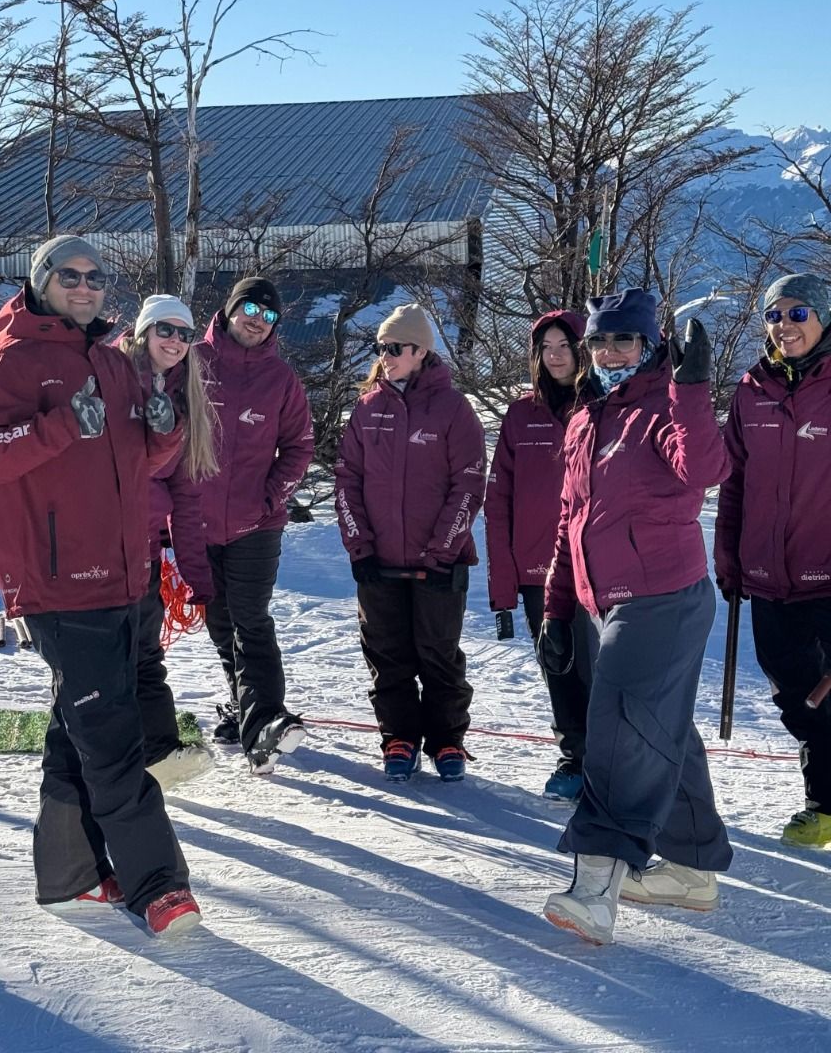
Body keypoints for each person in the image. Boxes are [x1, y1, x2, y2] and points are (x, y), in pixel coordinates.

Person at [0, 235, 202, 939]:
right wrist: (59, 425)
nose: (85, 286)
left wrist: (165, 430)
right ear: (41, 282)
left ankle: (68, 874)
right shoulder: (10, 362)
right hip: (60, 583)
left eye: (95, 277)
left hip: (121, 575)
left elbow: (139, 459)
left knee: (79, 728)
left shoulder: (112, 361)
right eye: (70, 275)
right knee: (114, 741)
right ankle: (159, 886)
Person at [540, 288, 732, 945]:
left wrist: (692, 387)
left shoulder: (664, 406)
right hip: (608, 601)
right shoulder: (587, 417)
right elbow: (570, 521)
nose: (609, 352)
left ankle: (596, 887)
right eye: (599, 341)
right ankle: (692, 868)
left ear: (650, 346)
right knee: (660, 727)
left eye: (623, 340)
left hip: (663, 596)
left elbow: (704, 467)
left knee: (621, 729)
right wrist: (557, 608)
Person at [334, 304, 487, 783]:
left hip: (438, 564)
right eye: (381, 347)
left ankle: (446, 739)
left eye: (395, 347)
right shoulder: (366, 408)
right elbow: (347, 481)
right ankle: (398, 736)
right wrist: (359, 546)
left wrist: (443, 551)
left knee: (438, 653)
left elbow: (469, 484)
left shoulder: (453, 409)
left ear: (421, 351)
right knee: (387, 653)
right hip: (378, 561)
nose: (386, 355)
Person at [716, 273, 831, 847]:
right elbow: (732, 482)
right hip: (766, 575)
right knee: (794, 695)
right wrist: (729, 557)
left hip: (827, 574)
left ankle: (823, 803)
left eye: (798, 312)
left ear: (823, 318)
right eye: (774, 315)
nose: (785, 325)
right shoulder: (751, 390)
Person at [195, 276, 314, 774]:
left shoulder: (280, 379)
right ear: (230, 310)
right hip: (196, 524)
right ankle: (244, 706)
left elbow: (299, 447)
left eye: (268, 316)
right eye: (249, 309)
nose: (257, 321)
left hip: (256, 527)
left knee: (251, 621)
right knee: (220, 623)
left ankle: (266, 724)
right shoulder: (192, 362)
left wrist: (270, 498)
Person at [485, 311, 597, 799]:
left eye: (563, 345)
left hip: (599, 565)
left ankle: (613, 764)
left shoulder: (604, 406)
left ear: (582, 348)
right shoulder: (521, 414)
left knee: (604, 670)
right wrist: (502, 587)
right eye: (545, 347)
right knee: (559, 665)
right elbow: (498, 502)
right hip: (540, 571)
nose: (554, 355)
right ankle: (574, 758)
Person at [117, 294, 219, 791]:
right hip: (102, 545)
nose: (176, 341)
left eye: (185, 334)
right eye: (166, 330)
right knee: (103, 660)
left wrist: (197, 575)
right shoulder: (113, 378)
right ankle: (102, 760)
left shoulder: (184, 397)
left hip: (146, 551)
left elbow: (187, 496)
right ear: (144, 332)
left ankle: (158, 753)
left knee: (145, 654)